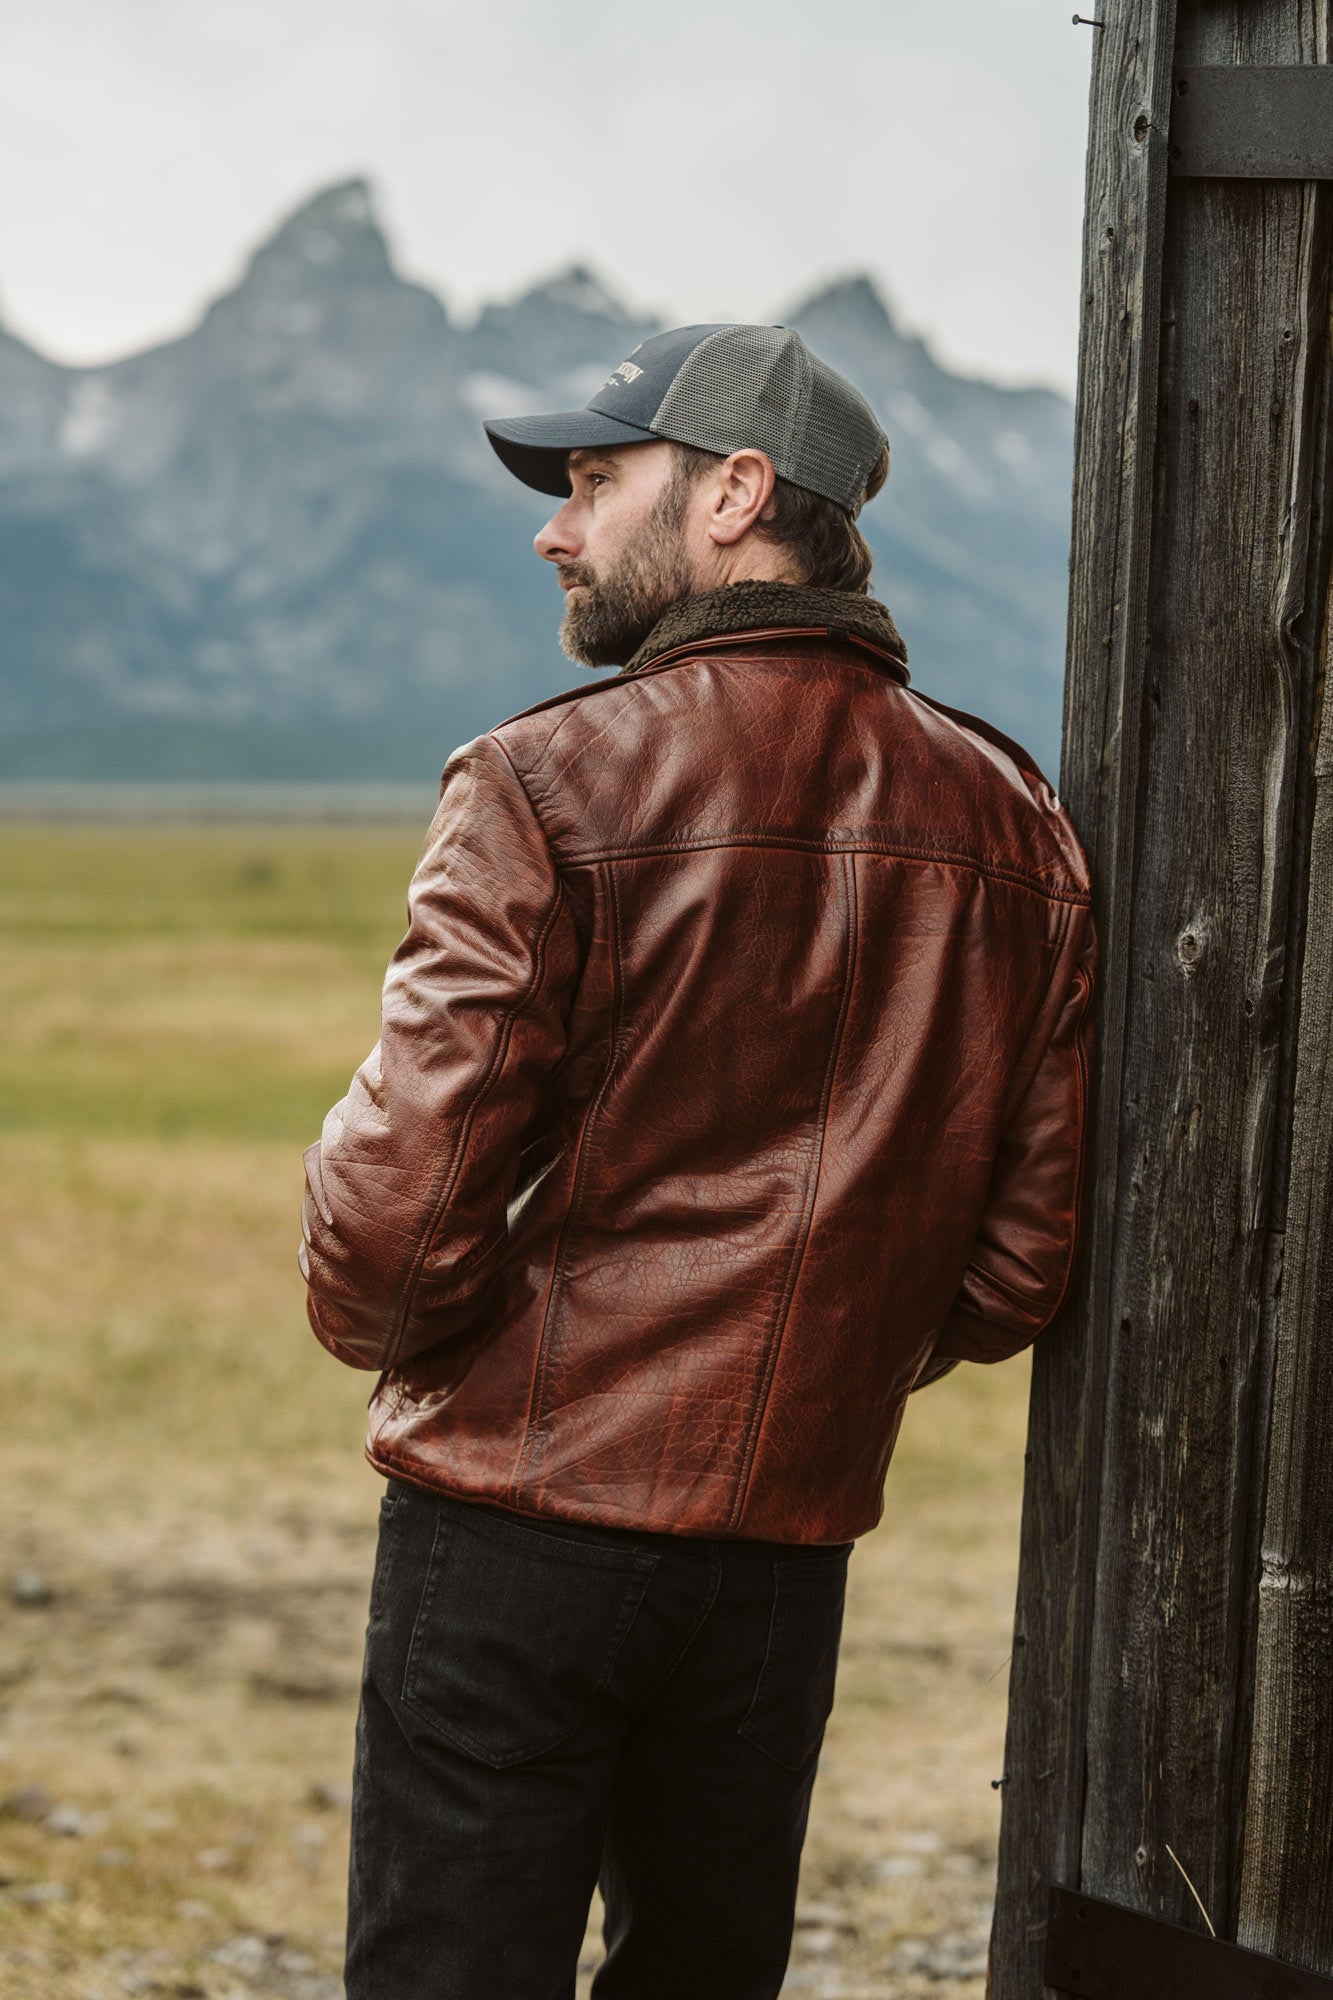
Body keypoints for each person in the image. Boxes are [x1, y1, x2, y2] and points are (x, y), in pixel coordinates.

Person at [299, 322, 1097, 2000]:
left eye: (595, 481)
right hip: (785, 1544)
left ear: (737, 494)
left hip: (523, 1519)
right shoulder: (1015, 819)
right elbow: (1021, 1262)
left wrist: (482, 1353)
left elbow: (394, 1226)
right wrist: (814, 1362)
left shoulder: (542, 778)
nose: (554, 527)